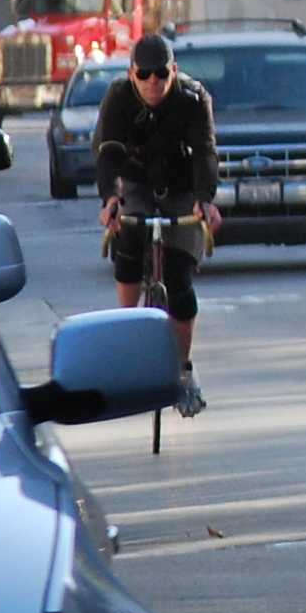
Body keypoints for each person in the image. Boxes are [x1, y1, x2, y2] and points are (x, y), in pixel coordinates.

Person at [95, 34, 221, 416]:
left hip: (182, 188)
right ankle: (128, 335)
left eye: (161, 73)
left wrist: (205, 199)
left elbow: (205, 151)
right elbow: (109, 152)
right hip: (133, 182)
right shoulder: (118, 98)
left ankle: (183, 371)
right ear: (131, 73)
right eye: (144, 74)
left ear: (174, 71)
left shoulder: (193, 100)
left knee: (180, 280)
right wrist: (111, 199)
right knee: (130, 245)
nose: (153, 82)